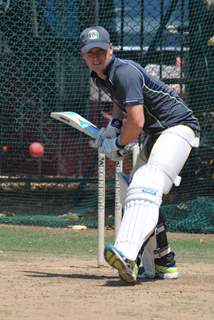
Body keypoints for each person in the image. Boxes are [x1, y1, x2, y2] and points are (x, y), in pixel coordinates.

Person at [79, 26, 200, 283]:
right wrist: (114, 125)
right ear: (84, 56)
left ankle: (125, 254)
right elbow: (120, 101)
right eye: (91, 53)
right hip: (156, 134)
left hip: (177, 127)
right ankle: (161, 263)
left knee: (146, 184)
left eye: (101, 51)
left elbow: (137, 123)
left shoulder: (124, 71)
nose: (97, 57)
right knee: (131, 190)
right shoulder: (100, 76)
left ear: (111, 48)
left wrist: (118, 146)